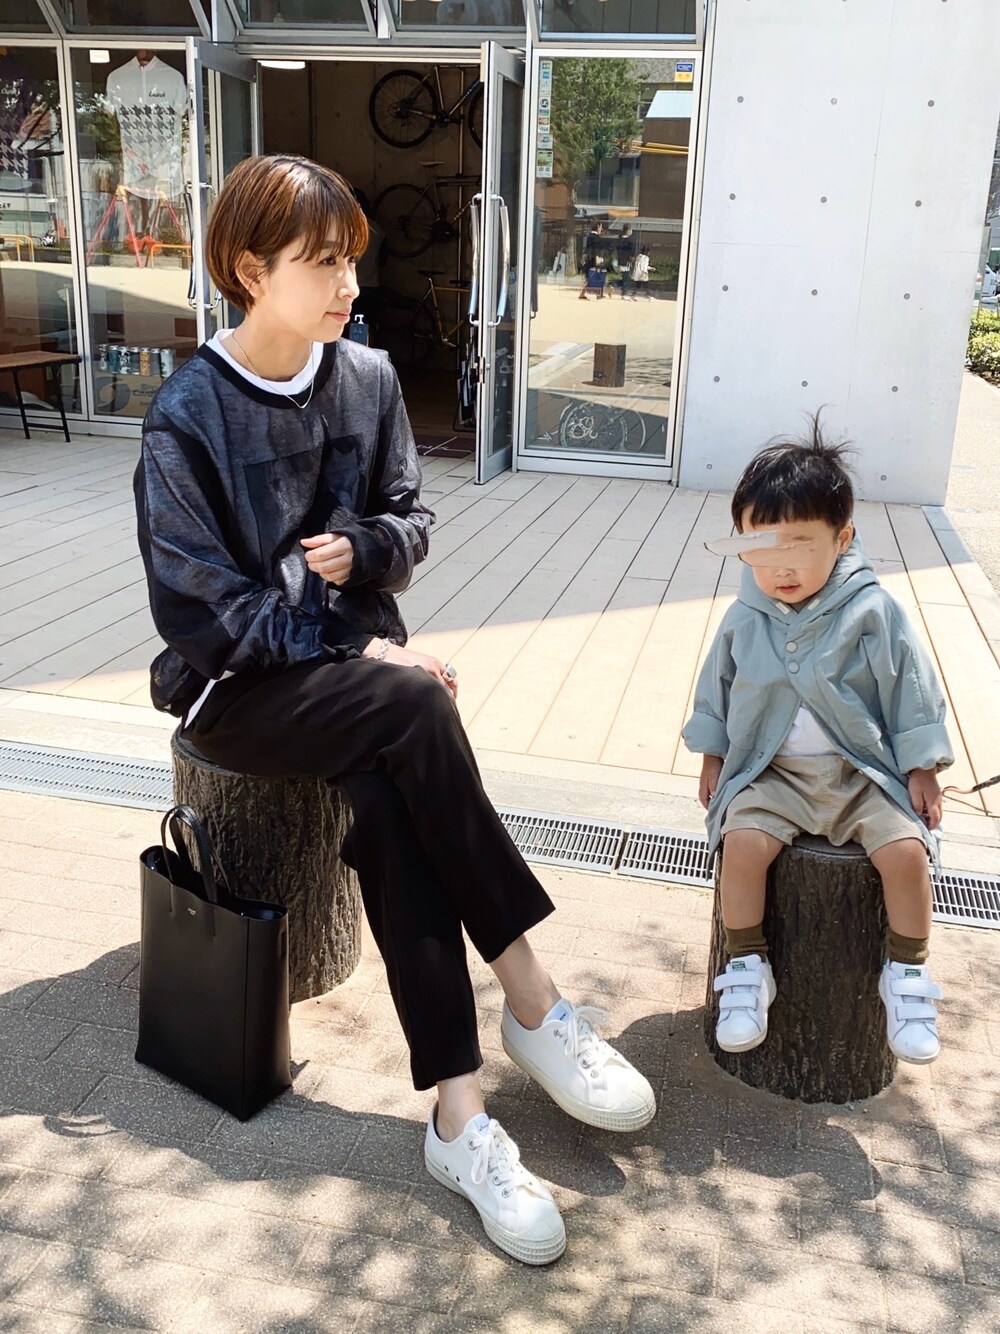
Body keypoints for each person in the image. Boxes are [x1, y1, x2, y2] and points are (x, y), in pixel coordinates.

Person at [134, 154, 656, 1267]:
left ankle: (460, 1114)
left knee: (389, 787)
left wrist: (367, 549)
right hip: (240, 693)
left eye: (350, 262)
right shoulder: (186, 414)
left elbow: (411, 521)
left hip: (360, 688)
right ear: (249, 270)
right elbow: (200, 613)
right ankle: (532, 998)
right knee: (410, 706)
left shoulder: (366, 380)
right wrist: (357, 645)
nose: (347, 286)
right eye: (322, 263)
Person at [682, 420, 952, 1065]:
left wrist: (921, 767)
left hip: (860, 775)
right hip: (772, 774)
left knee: (906, 853)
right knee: (741, 846)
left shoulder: (871, 610)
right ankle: (747, 967)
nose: (781, 566)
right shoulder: (745, 617)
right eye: (762, 547)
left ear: (843, 538)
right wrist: (714, 755)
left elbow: (910, 686)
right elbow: (717, 689)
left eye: (800, 545)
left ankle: (907, 973)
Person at [616, 223, 636, 299]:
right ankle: (624, 292)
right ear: (627, 230)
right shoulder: (629, 241)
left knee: (624, 277)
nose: (631, 231)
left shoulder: (620, 240)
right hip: (627, 262)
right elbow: (631, 253)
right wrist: (632, 259)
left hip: (620, 260)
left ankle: (620, 289)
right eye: (630, 229)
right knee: (626, 278)